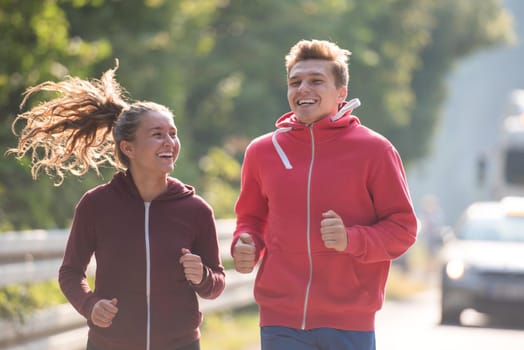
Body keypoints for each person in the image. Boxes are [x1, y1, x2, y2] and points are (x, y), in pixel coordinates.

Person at [9, 63, 225, 350]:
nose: (170, 142)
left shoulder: (196, 209)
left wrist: (203, 277)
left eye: (173, 133)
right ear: (128, 148)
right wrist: (90, 305)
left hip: (180, 344)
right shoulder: (96, 205)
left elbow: (217, 282)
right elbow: (71, 272)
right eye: (157, 134)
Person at [231, 39, 418, 350]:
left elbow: (404, 229)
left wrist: (351, 239)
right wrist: (245, 243)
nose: (303, 88)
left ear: (341, 92)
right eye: (295, 82)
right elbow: (250, 218)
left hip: (349, 322)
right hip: (280, 320)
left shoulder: (375, 150)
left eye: (316, 81)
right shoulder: (263, 151)